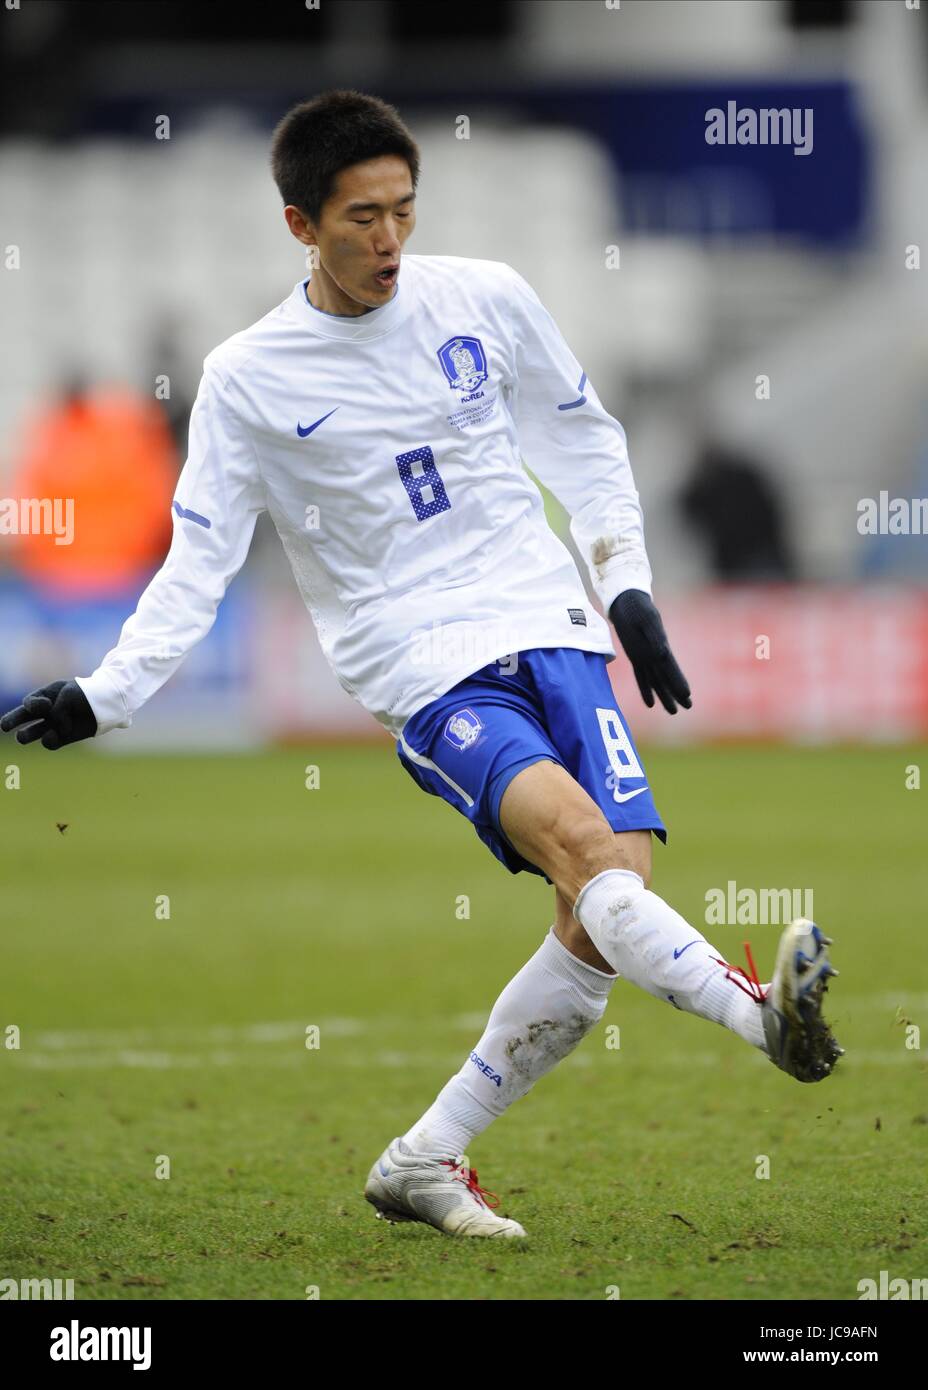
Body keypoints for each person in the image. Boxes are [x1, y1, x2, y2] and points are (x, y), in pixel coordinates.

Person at [0, 91, 843, 1240]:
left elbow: (582, 436)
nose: (389, 239)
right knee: (592, 856)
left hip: (552, 628)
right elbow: (198, 560)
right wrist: (108, 690)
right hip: (426, 669)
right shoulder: (250, 378)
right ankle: (764, 1022)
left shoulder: (483, 296)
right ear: (300, 224)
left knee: (602, 916)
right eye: (361, 218)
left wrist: (627, 585)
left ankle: (423, 1156)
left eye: (403, 209)